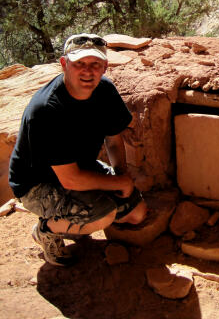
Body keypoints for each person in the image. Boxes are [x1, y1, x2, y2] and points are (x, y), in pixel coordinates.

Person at [8, 33, 147, 266]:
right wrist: (119, 184)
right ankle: (46, 229)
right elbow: (71, 179)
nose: (87, 71)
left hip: (80, 167)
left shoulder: (104, 90)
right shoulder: (47, 110)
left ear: (105, 66)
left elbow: (113, 140)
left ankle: (79, 217)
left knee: (137, 213)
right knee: (103, 215)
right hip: (38, 183)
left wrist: (121, 176)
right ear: (64, 64)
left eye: (95, 64)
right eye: (79, 63)